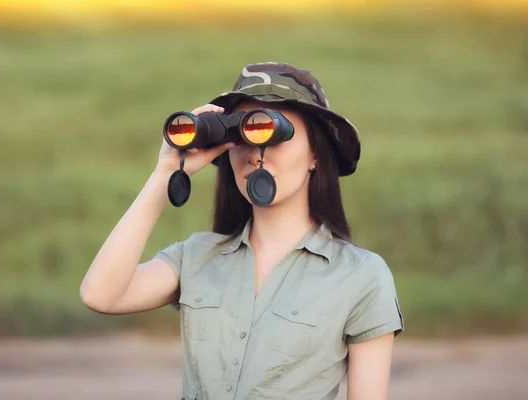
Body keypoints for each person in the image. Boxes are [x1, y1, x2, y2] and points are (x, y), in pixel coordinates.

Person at [80, 62, 404, 400]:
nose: (254, 156)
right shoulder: (196, 257)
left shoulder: (359, 276)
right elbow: (101, 294)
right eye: (241, 137)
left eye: (270, 132)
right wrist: (165, 172)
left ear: (315, 155)